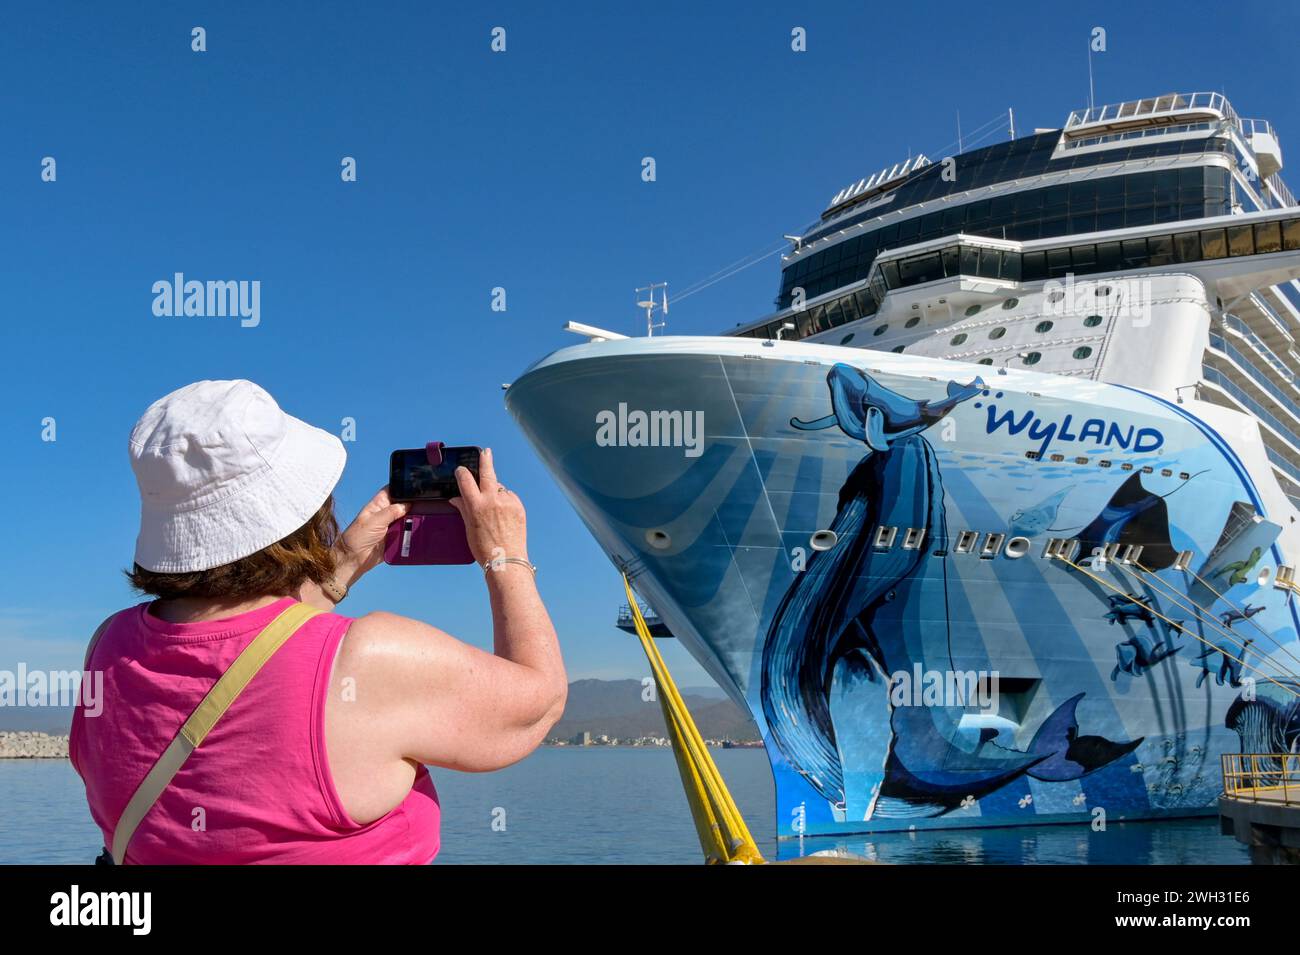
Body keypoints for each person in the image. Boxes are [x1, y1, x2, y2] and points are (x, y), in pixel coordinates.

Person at [70, 379, 566, 863]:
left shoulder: (109, 648)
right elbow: (536, 705)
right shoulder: (369, 658)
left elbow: (254, 653)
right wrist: (504, 554)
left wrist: (341, 567)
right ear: (308, 510)